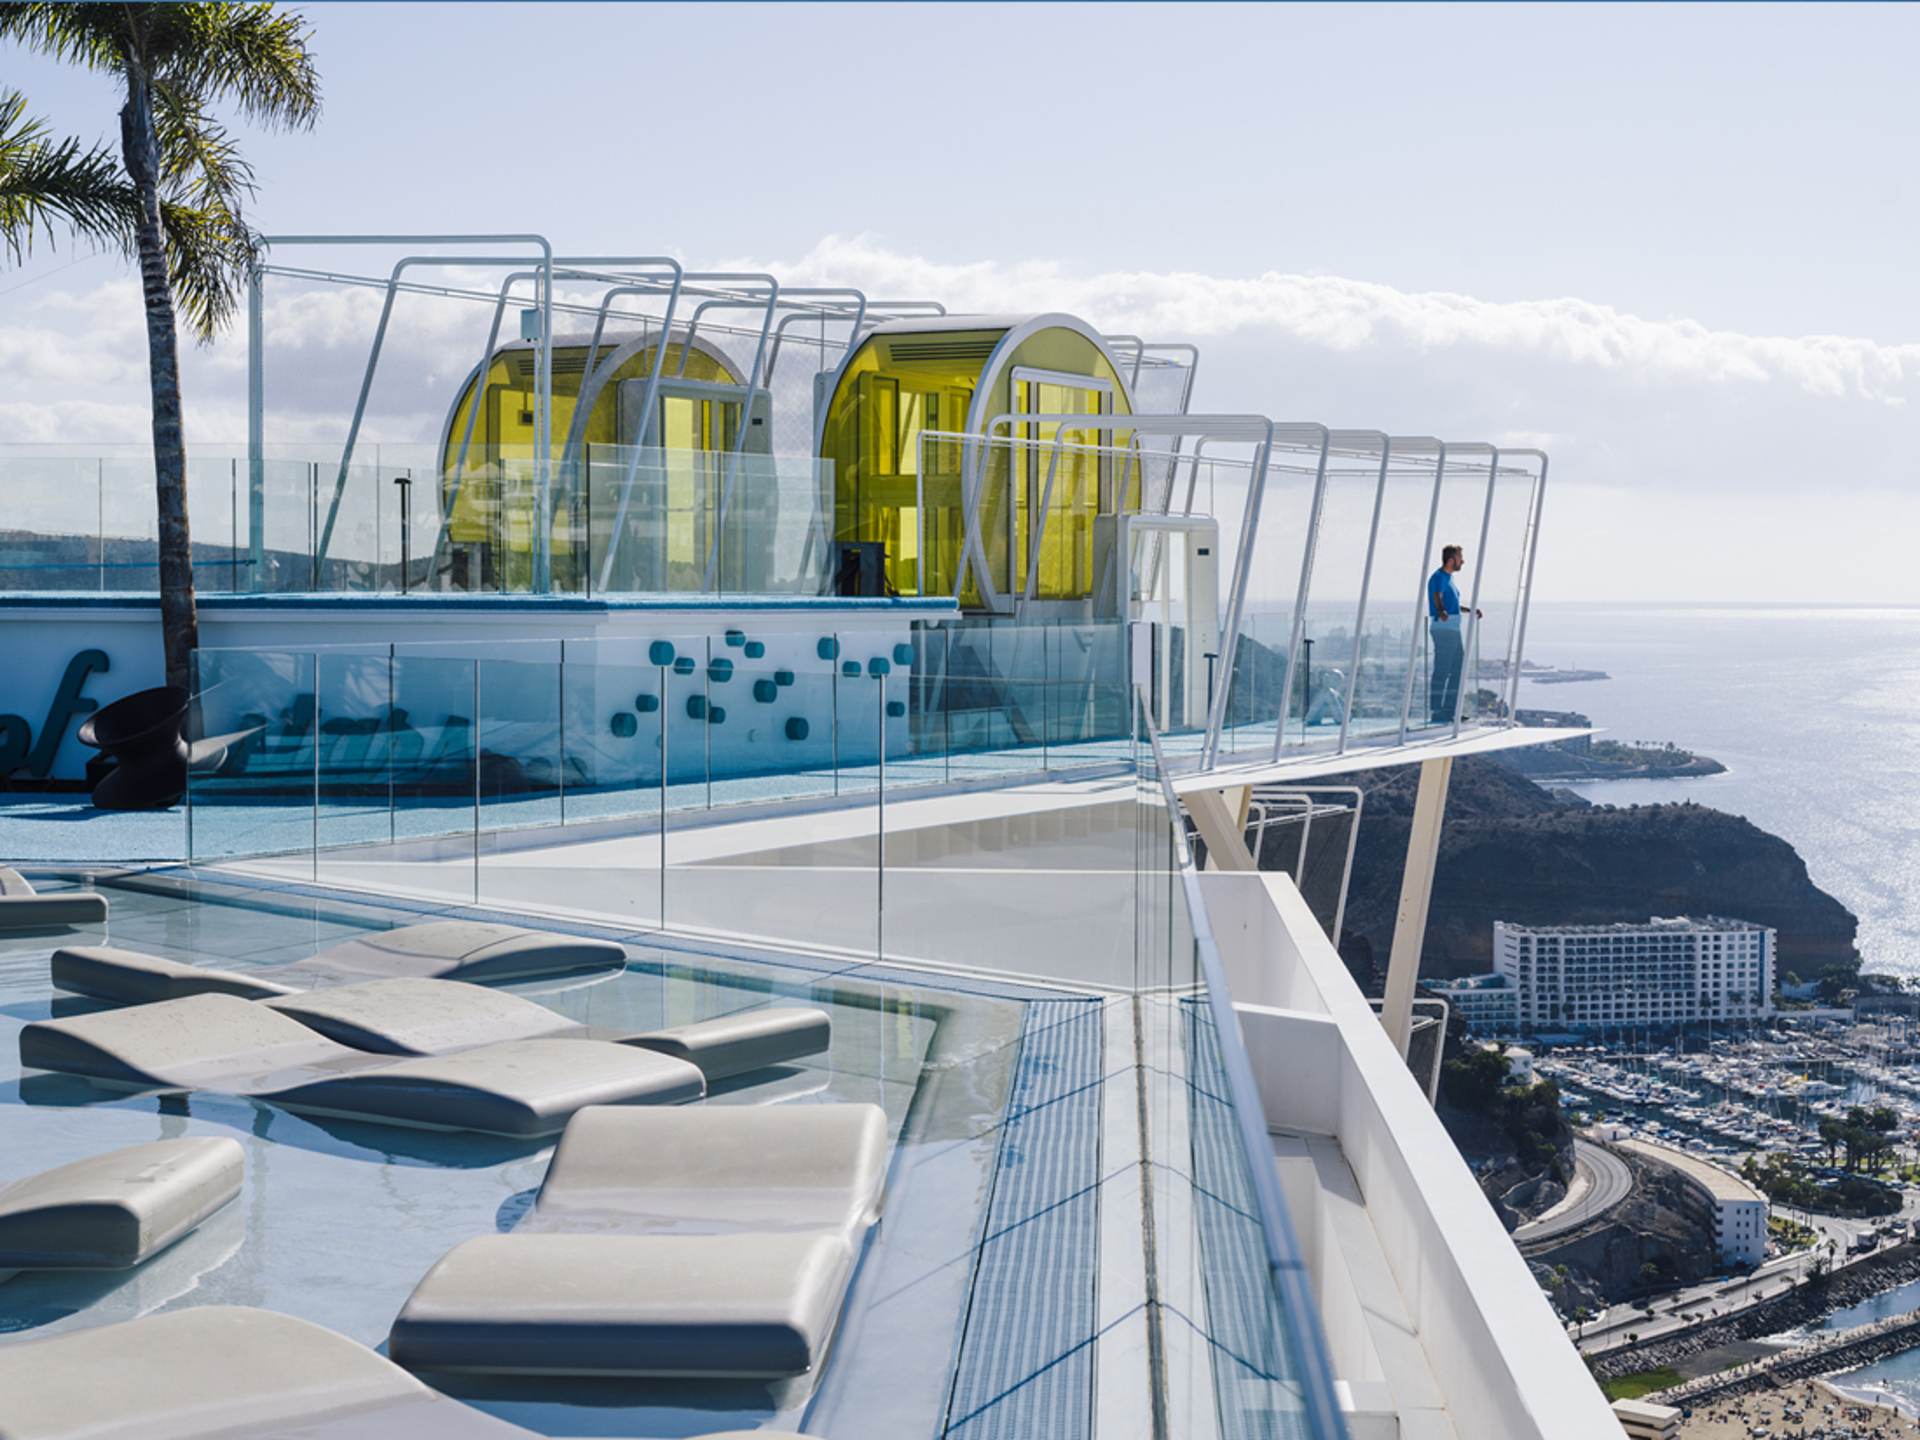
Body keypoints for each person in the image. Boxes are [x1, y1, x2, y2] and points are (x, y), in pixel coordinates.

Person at [1427, 544, 1480, 724]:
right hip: (1443, 630)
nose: (1462, 562)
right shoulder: (1439, 577)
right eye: (1460, 558)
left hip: (1453, 630)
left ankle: (1450, 710)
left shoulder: (1449, 579)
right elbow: (1437, 597)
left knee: (1458, 671)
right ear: (1451, 560)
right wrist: (1441, 612)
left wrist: (1470, 610)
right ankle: (1436, 711)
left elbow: (1453, 605)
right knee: (1442, 671)